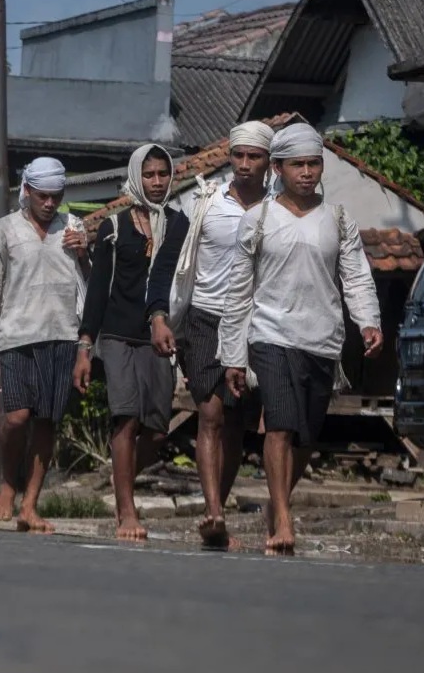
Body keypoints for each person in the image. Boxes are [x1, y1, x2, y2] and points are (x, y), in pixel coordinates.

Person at [219, 123, 383, 555]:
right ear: (278, 168)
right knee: (280, 424)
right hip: (270, 335)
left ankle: (278, 505)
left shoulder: (338, 219)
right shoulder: (258, 220)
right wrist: (233, 355)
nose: (307, 173)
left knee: (306, 437)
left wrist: (368, 321)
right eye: (298, 165)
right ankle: (284, 520)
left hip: (322, 339)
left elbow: (356, 277)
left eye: (314, 164)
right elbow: (238, 291)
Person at [149, 120, 274, 548]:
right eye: (237, 156)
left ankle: (219, 509)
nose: (243, 164)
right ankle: (213, 512)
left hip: (254, 324)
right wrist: (160, 316)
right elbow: (169, 261)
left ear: (268, 162)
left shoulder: (276, 209)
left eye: (252, 157)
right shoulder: (206, 203)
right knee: (211, 414)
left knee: (236, 424)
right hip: (204, 317)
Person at [74, 144, 189, 541]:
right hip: (119, 335)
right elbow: (97, 290)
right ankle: (127, 510)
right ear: (137, 176)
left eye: (162, 174)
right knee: (125, 418)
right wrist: (85, 347)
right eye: (149, 174)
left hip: (159, 338)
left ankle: (119, 472)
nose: (156, 182)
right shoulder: (115, 227)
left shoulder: (178, 224)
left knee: (156, 429)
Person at [0, 157, 90, 533]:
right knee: (17, 416)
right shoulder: (4, 230)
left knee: (46, 422)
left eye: (56, 196)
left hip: (61, 335)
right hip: (16, 336)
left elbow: (89, 284)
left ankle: (31, 504)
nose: (50, 203)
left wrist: (84, 253)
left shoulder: (73, 228)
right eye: (43, 196)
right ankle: (8, 483)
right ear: (26, 191)